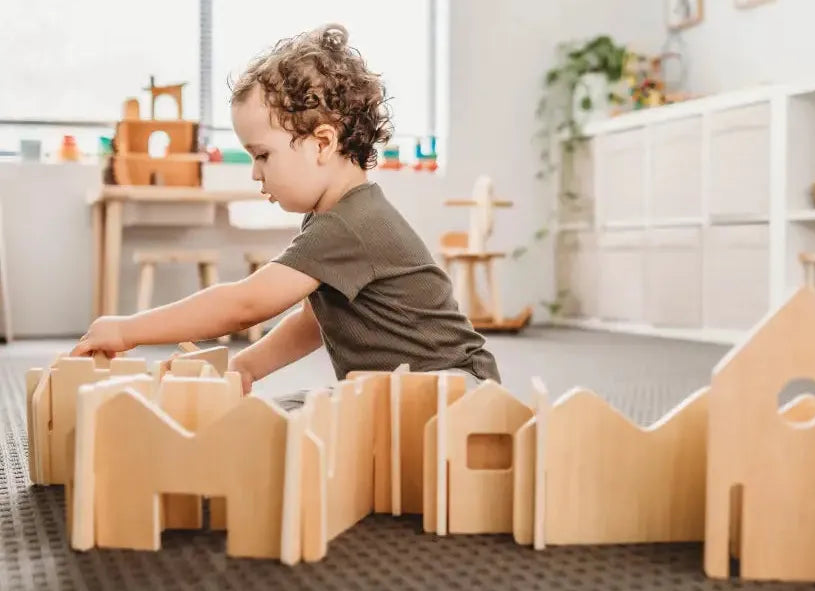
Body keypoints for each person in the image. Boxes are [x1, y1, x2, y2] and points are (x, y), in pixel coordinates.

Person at [71, 23, 500, 408]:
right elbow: (313, 322)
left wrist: (129, 330)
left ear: (322, 144)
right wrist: (247, 365)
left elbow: (245, 304)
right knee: (273, 417)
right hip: (402, 390)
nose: (255, 172)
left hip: (454, 390)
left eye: (262, 155)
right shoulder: (333, 218)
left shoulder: (349, 224)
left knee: (283, 433)